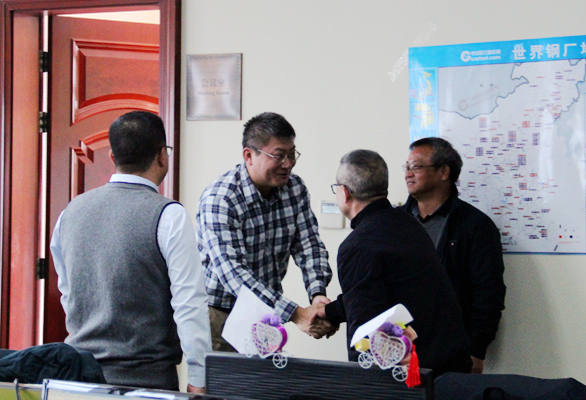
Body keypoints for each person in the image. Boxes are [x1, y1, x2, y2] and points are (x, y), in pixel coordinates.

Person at [50, 111, 211, 393]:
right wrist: (199, 377)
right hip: (147, 382)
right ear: (162, 155)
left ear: (112, 157)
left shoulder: (70, 212)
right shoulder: (169, 215)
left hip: (78, 380)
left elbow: (68, 292)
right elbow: (189, 304)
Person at [318, 149, 472, 377]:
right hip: (449, 363)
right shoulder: (407, 223)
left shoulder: (358, 245)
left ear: (345, 193)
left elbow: (366, 331)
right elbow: (385, 290)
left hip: (415, 376)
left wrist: (361, 384)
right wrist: (328, 312)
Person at [196, 112, 334, 351]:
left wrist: (317, 295)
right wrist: (296, 314)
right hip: (220, 316)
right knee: (222, 377)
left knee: (265, 376)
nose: (288, 164)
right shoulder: (220, 199)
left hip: (267, 314)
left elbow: (309, 246)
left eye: (292, 154)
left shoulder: (295, 188)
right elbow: (234, 274)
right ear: (249, 155)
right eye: (279, 156)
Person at [402, 137, 506, 374]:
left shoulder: (475, 226)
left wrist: (477, 350)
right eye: (406, 167)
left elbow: (488, 293)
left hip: (451, 352)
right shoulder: (395, 222)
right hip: (398, 347)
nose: (408, 174)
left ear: (443, 172)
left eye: (416, 166)